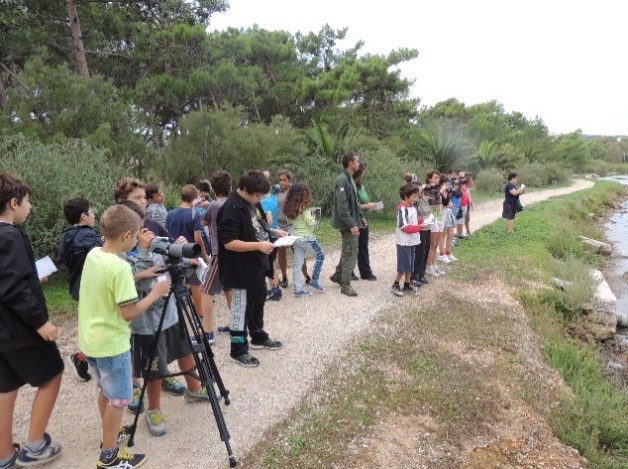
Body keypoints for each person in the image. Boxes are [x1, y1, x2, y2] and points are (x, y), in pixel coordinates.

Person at [78, 204, 170, 468]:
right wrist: (155, 293)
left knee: (106, 393)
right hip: (112, 345)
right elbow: (128, 313)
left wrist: (139, 273)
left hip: (91, 341)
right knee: (118, 400)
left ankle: (111, 435)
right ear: (128, 236)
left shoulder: (95, 254)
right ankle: (109, 457)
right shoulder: (119, 268)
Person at [118, 201, 209, 438]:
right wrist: (145, 251)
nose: (143, 232)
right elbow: (135, 279)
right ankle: (154, 409)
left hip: (170, 310)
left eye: (143, 225)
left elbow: (171, 271)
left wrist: (177, 254)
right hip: (147, 322)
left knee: (185, 350)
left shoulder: (150, 241)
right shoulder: (119, 256)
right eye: (138, 228)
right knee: (154, 366)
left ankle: (194, 388)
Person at [0, 172, 63, 469]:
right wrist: (40, 323)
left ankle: (3, 455)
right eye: (28, 201)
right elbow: (13, 288)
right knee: (53, 372)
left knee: (5, 386)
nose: (31, 207)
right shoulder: (10, 235)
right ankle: (35, 446)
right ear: (14, 202)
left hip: (2, 332)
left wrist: (32, 274)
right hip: (19, 328)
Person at [217, 170, 285, 367]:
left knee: (257, 300)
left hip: (256, 265)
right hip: (239, 270)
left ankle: (258, 336)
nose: (257, 199)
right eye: (255, 195)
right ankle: (238, 350)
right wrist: (258, 246)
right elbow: (229, 242)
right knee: (241, 308)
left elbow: (257, 226)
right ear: (245, 189)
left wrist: (272, 231)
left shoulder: (251, 204)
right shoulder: (230, 207)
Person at [58, 197, 103, 382]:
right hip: (93, 288)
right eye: (91, 212)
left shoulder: (66, 235)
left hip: (77, 287)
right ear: (84, 216)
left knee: (93, 324)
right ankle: (84, 358)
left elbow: (65, 257)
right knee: (100, 324)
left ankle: (82, 358)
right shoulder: (88, 235)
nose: (94, 216)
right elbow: (104, 257)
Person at [166, 185, 210, 317]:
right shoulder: (194, 214)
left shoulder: (170, 214)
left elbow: (167, 235)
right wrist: (204, 255)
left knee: (175, 286)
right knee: (196, 286)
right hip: (191, 254)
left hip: (175, 255)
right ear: (194, 199)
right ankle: (199, 315)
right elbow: (198, 238)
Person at [200, 171, 234, 342]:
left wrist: (204, 207)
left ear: (213, 189)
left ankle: (207, 333)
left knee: (205, 290)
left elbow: (203, 222)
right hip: (234, 253)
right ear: (231, 187)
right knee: (228, 288)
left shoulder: (214, 205)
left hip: (220, 254)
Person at [330, 152, 364, 297]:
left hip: (351, 221)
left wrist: (361, 218)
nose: (359, 163)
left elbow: (354, 204)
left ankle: (338, 275)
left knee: (348, 250)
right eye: (357, 161)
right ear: (350, 163)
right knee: (350, 252)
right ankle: (346, 284)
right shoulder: (343, 180)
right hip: (347, 224)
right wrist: (352, 224)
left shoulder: (349, 178)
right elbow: (342, 206)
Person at [284, 182, 325, 297]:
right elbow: (310, 222)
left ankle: (298, 289)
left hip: (295, 237)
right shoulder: (304, 208)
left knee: (298, 263)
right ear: (304, 194)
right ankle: (314, 280)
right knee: (321, 256)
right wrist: (316, 220)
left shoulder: (289, 209)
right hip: (306, 238)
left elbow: (289, 222)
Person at [391, 183, 426, 296]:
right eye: (414, 196)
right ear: (406, 196)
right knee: (403, 265)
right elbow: (404, 227)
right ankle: (395, 285)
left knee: (410, 265)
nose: (416, 198)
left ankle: (407, 285)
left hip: (412, 241)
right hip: (404, 242)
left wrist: (422, 221)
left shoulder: (412, 208)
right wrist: (418, 227)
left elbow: (414, 221)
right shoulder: (402, 210)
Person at [260, 170, 282, 301]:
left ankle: (275, 289)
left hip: (270, 235)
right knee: (272, 262)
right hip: (276, 233)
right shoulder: (273, 198)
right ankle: (276, 288)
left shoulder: (264, 202)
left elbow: (268, 221)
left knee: (269, 264)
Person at [353, 163, 377, 281]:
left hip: (363, 217)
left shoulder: (360, 185)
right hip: (354, 219)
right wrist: (367, 206)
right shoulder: (351, 186)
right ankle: (349, 271)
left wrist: (370, 206)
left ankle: (365, 272)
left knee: (363, 246)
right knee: (352, 246)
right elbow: (352, 205)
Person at [423, 171, 444, 278]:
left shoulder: (437, 188)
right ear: (429, 178)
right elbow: (430, 202)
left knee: (436, 243)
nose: (437, 179)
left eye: (438, 178)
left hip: (439, 214)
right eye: (435, 178)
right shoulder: (427, 189)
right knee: (432, 243)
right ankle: (429, 265)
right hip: (432, 214)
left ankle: (434, 263)